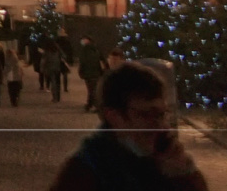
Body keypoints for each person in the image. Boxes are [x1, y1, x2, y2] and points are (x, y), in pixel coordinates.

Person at [46, 62, 208, 191]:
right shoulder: (83, 173)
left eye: (161, 114)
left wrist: (184, 176)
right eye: (146, 115)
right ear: (115, 117)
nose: (160, 126)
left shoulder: (168, 154)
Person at [79, 44, 108, 113]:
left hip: (88, 75)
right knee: (93, 90)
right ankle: (90, 104)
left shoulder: (85, 54)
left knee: (91, 90)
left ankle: (94, 105)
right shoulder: (97, 53)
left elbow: (82, 64)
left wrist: (81, 73)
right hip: (96, 74)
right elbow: (103, 63)